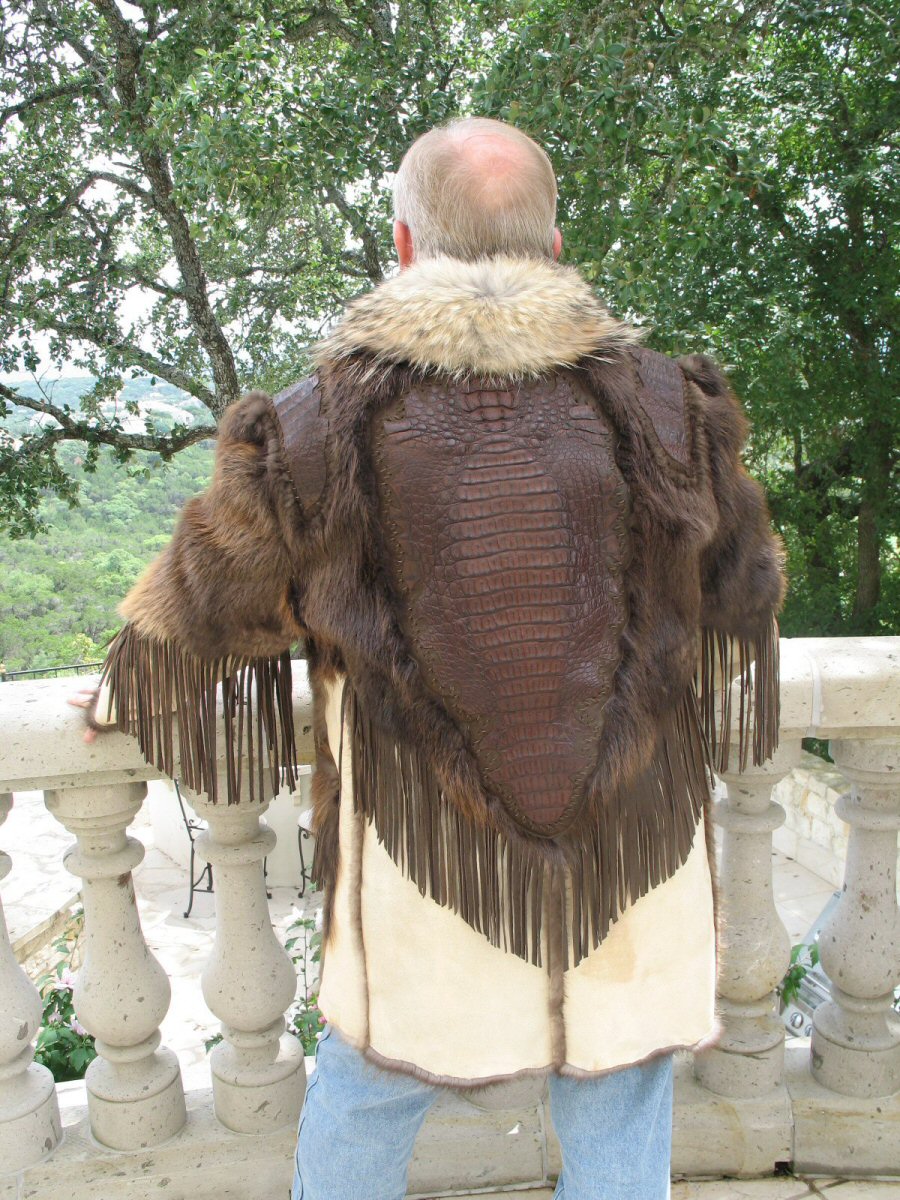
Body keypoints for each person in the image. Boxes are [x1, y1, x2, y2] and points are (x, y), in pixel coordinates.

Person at [72, 117, 785, 1199]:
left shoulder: (315, 426)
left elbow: (211, 600)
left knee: (372, 1082)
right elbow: (745, 588)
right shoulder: (671, 408)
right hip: (630, 852)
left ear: (405, 249)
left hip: (421, 860)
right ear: (552, 249)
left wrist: (129, 680)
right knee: (617, 1086)